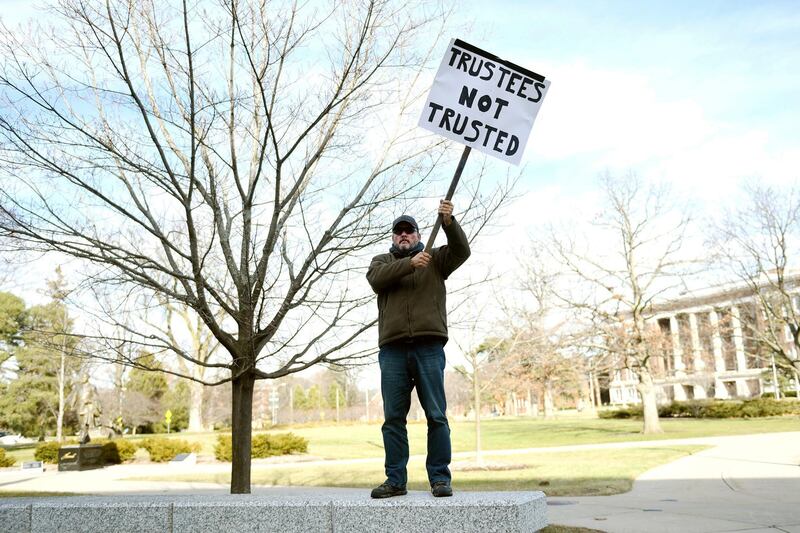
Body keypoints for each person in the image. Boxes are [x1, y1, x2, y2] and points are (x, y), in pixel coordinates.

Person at [366, 199, 471, 498]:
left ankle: (440, 478)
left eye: (409, 231)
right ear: (392, 237)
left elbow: (462, 251)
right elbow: (376, 280)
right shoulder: (381, 262)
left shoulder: (436, 259)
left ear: (417, 234)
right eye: (398, 232)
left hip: (428, 345)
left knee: (436, 415)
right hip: (393, 350)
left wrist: (450, 223)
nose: (404, 235)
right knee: (393, 420)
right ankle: (396, 480)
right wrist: (410, 263)